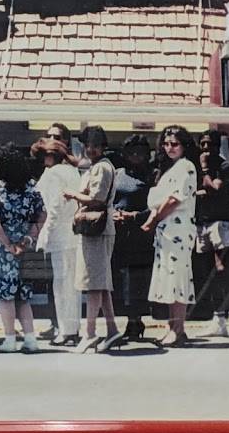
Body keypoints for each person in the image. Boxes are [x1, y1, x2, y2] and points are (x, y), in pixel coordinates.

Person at [0, 146, 47, 353]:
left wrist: (9, 245)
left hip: (3, 249)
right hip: (27, 247)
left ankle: (9, 339)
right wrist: (27, 239)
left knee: (5, 295)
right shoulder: (32, 187)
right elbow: (42, 215)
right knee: (24, 295)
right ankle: (30, 338)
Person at [63, 125, 121, 353]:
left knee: (93, 283)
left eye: (95, 145)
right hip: (96, 230)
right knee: (101, 282)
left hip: (97, 229)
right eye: (87, 145)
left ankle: (89, 333)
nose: (90, 149)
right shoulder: (98, 166)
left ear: (103, 146)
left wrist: (73, 194)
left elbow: (96, 199)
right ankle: (112, 328)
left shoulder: (101, 169)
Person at [142, 125, 199, 347]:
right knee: (168, 279)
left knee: (177, 279)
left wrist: (154, 219)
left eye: (174, 144)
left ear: (184, 145)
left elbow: (174, 200)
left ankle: (179, 329)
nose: (169, 148)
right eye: (166, 144)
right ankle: (171, 327)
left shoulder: (186, 167)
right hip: (166, 232)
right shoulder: (171, 168)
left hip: (178, 229)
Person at [32, 137, 83, 346]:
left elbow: (53, 207)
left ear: (51, 155)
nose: (42, 161)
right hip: (74, 234)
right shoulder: (72, 171)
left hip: (59, 236)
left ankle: (65, 331)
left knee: (61, 286)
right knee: (73, 285)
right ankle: (73, 328)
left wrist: (45, 233)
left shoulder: (53, 174)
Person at [195, 130, 229, 342]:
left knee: (222, 269)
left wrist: (206, 171)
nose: (206, 149)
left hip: (221, 222)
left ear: (217, 146)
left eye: (210, 145)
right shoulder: (196, 168)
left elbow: (215, 187)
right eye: (203, 145)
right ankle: (218, 320)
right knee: (208, 274)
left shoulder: (223, 166)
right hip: (202, 223)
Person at [111, 134, 155, 342]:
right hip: (118, 233)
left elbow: (157, 207)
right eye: (131, 152)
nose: (136, 156)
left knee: (136, 280)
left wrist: (134, 216)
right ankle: (128, 319)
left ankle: (136, 320)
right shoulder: (117, 174)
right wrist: (112, 213)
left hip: (141, 233)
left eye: (140, 152)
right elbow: (108, 199)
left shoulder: (153, 176)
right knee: (120, 278)